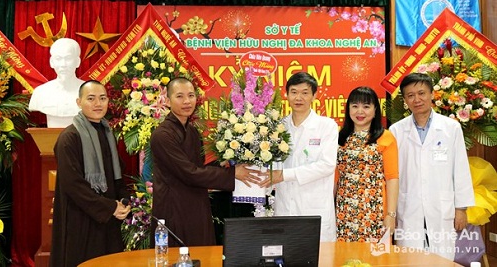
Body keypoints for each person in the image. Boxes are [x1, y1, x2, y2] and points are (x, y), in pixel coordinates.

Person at [150, 77, 259, 247]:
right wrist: (231, 174)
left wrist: (222, 165)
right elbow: (189, 172)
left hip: (196, 204)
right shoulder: (162, 135)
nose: (187, 101)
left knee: (200, 252)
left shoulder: (192, 131)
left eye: (191, 95)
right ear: (167, 100)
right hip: (174, 206)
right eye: (179, 96)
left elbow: (198, 167)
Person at [389, 72, 474, 261]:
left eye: (421, 93)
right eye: (410, 95)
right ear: (405, 100)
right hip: (408, 207)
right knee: (408, 259)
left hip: (441, 207)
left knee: (442, 258)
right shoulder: (396, 130)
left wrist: (461, 209)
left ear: (431, 94)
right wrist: (391, 212)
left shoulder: (451, 128)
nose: (416, 99)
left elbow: (460, 169)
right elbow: (393, 175)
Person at [50, 80, 131, 267]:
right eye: (91, 98)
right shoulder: (69, 138)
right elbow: (73, 185)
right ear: (79, 102)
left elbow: (117, 174)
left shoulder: (107, 133)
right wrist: (108, 207)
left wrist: (124, 201)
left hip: (108, 218)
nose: (98, 104)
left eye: (102, 98)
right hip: (81, 220)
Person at [259, 71, 339, 242]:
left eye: (305, 93)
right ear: (286, 95)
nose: (299, 98)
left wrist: (284, 175)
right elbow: (269, 163)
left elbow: (327, 165)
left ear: (314, 96)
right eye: (294, 92)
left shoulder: (326, 126)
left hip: (315, 210)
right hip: (284, 208)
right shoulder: (278, 127)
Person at [335, 86, 399, 242]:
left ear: (375, 110)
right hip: (344, 210)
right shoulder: (339, 137)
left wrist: (390, 215)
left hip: (374, 210)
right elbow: (335, 178)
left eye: (366, 106)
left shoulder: (385, 137)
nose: (360, 112)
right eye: (355, 106)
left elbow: (392, 178)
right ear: (348, 108)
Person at [29, 37, 85, 128]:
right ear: (52, 62)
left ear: (77, 62)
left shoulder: (90, 91)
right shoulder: (40, 92)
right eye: (58, 58)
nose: (63, 64)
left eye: (68, 58)